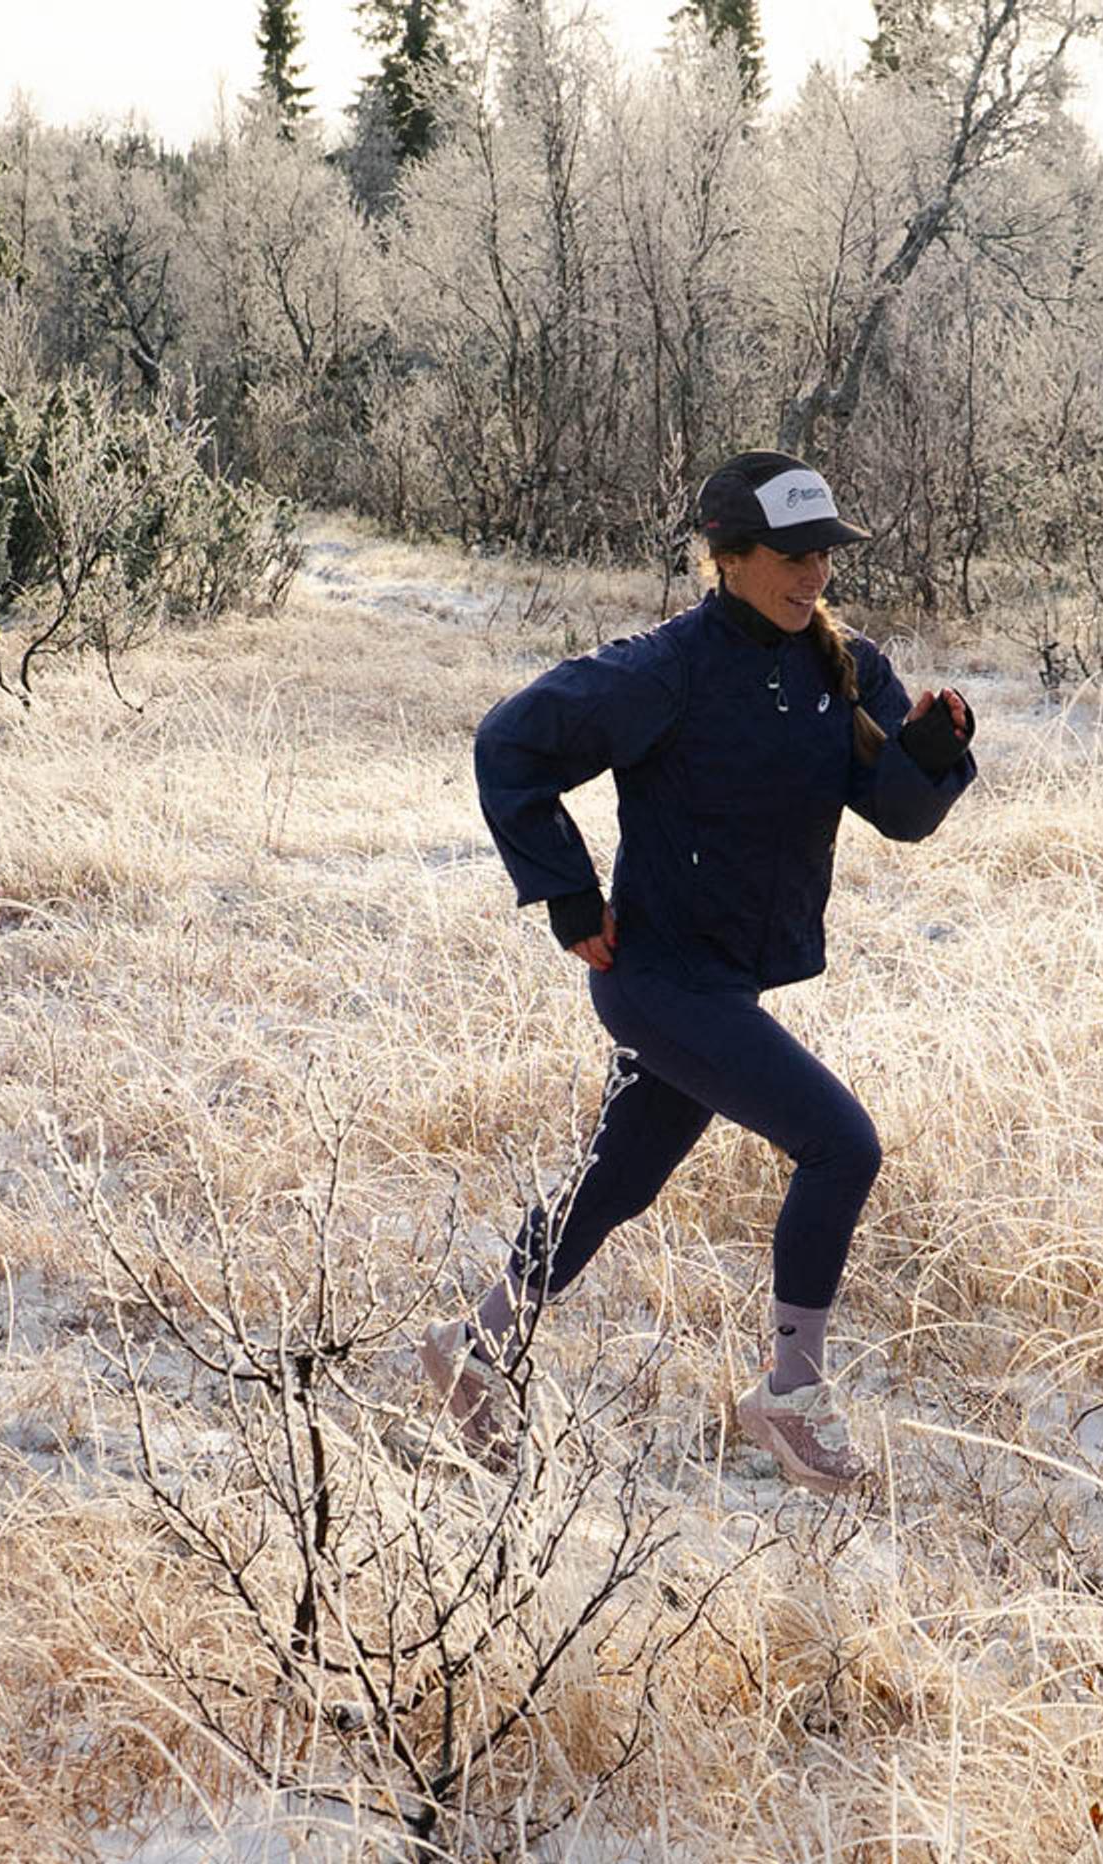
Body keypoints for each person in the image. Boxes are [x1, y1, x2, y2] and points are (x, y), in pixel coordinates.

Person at [420, 451, 976, 1493]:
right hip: (657, 978)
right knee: (840, 1145)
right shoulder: (662, 668)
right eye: (788, 555)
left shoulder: (842, 666)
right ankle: (792, 1392)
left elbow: (896, 812)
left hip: (726, 981)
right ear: (726, 557)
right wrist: (568, 895)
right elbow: (510, 743)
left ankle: (473, 1348)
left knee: (617, 1180)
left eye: (824, 554)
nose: (812, 574)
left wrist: (934, 755)